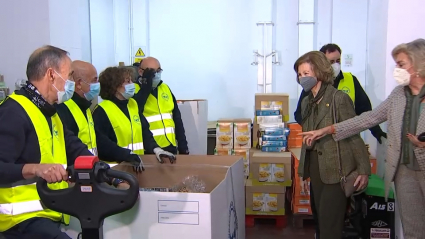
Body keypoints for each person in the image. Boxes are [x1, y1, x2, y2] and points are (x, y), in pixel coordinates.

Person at [300, 39, 425, 239]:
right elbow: (368, 118)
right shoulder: (399, 94)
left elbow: (361, 118)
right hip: (404, 170)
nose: (397, 69)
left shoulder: (341, 94)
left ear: (419, 64)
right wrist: (328, 130)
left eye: (401, 64)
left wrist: (363, 168)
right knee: (413, 228)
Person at [0, 46, 92, 239]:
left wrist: (104, 171)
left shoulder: (50, 112)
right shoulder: (13, 112)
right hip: (18, 222)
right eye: (68, 76)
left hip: (50, 213)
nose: (71, 84)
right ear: (51, 75)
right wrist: (36, 169)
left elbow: (74, 147)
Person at [294, 51, 370, 239]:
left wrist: (363, 169)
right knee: (320, 221)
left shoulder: (338, 99)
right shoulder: (306, 102)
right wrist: (304, 171)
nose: (302, 78)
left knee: (330, 226)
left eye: (306, 73)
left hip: (336, 170)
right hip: (316, 170)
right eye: (300, 74)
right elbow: (308, 136)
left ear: (319, 72)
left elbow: (353, 133)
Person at [294, 43, 387, 143]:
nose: (335, 65)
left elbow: (365, 112)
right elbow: (300, 114)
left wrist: (378, 133)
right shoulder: (311, 85)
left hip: (345, 141)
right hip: (318, 141)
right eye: (331, 61)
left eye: (338, 61)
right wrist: (312, 129)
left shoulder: (350, 81)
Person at [92, 66, 175, 167]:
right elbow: (102, 144)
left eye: (131, 80)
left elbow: (145, 132)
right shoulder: (102, 110)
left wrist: (156, 149)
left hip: (136, 166)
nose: (132, 85)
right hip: (115, 170)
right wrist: (126, 154)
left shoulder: (133, 104)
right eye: (128, 81)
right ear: (115, 86)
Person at [133, 57, 189, 155]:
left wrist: (182, 145)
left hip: (170, 146)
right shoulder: (133, 90)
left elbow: (177, 118)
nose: (156, 74)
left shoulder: (165, 88)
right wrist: (146, 86)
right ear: (141, 72)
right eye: (151, 72)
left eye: (158, 71)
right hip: (149, 149)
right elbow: (136, 110)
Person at [55, 60, 99, 155]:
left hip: (90, 167)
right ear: (79, 84)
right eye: (94, 80)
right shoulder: (64, 109)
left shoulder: (85, 106)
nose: (98, 84)